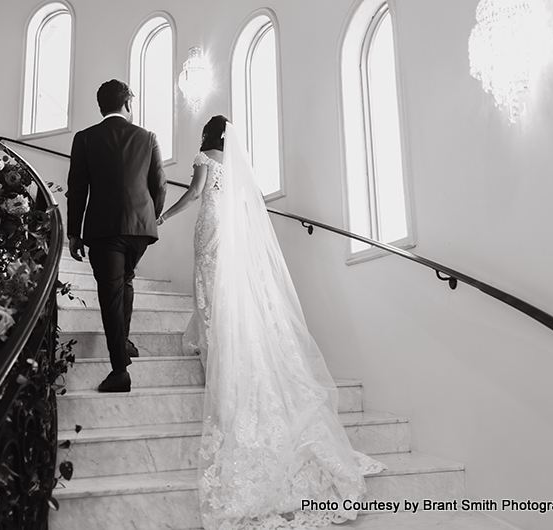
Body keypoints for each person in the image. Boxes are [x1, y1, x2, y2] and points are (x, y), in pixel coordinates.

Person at [157, 116, 384, 528]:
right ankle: (233, 351)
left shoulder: (204, 156)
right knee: (231, 295)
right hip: (232, 233)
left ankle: (220, 359)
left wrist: (163, 215)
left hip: (210, 229)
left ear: (207, 135)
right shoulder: (238, 166)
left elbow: (194, 194)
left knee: (209, 289)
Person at [66, 79, 167, 393]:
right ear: (128, 104)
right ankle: (123, 341)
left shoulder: (85, 138)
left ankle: (120, 370)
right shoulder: (148, 137)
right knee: (125, 281)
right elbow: (159, 185)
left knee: (110, 295)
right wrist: (151, 216)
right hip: (140, 229)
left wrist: (73, 233)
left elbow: (77, 189)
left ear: (101, 106)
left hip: (104, 228)